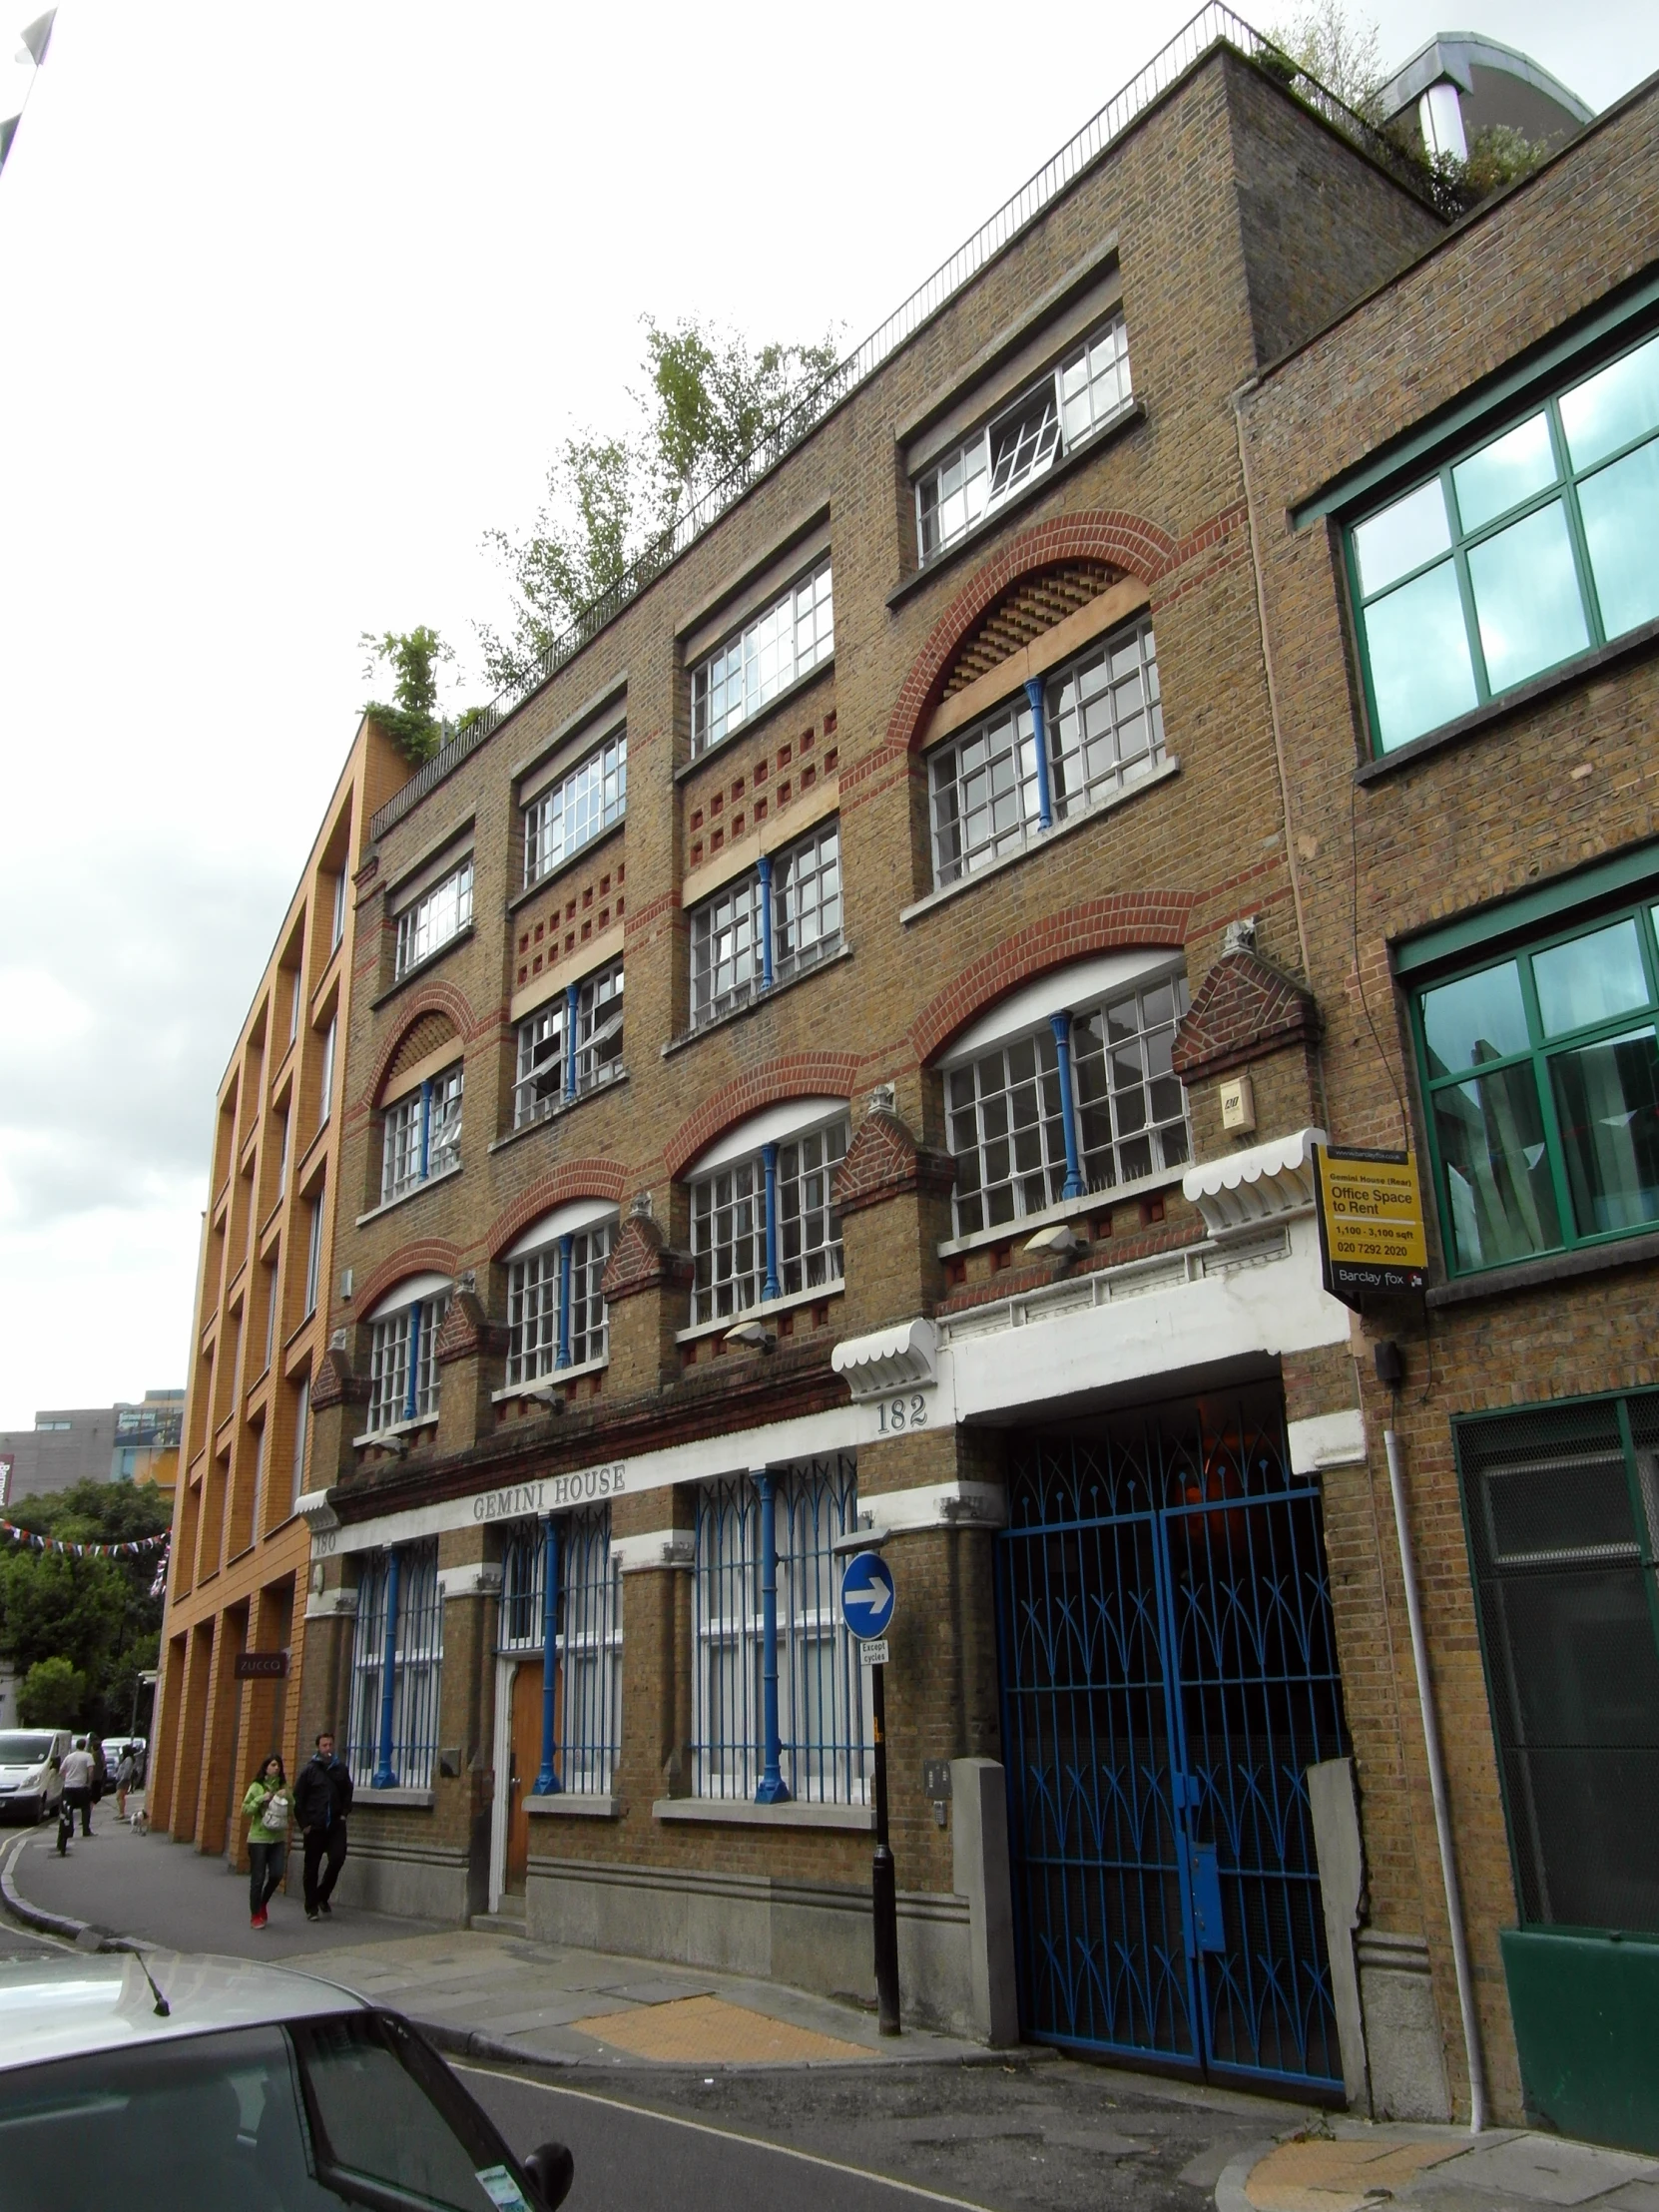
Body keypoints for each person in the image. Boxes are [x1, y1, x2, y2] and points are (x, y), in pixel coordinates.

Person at [294, 1731, 352, 1922]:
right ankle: (311, 1906)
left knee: (337, 1859)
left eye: (330, 1745)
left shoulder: (340, 1770)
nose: (328, 1749)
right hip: (315, 1825)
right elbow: (298, 1798)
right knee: (311, 1866)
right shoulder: (310, 1771)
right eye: (324, 1745)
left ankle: (322, 1895)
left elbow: (347, 1792)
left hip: (335, 1824)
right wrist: (304, 1824)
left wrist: (344, 1814)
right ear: (318, 1748)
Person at [242, 1754, 291, 1929]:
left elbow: (292, 1807)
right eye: (272, 1765)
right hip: (259, 1838)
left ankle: (263, 1901)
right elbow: (245, 1809)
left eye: (278, 1765)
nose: (276, 1768)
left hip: (277, 1838)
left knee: (277, 1873)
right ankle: (255, 1914)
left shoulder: (282, 1785)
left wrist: (287, 1796)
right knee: (258, 1877)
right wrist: (260, 1799)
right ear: (265, 1768)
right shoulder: (256, 1787)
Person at [59, 1738, 95, 1839]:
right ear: (84, 1746)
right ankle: (86, 1830)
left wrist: (66, 1780)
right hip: (81, 1786)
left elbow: (61, 1771)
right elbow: (91, 1771)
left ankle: (69, 1832)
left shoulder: (69, 1757)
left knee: (68, 1809)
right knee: (85, 1808)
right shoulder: (88, 1756)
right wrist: (89, 1783)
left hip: (68, 1787)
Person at [115, 1743, 140, 1821]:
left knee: (119, 1797)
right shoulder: (127, 1759)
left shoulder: (128, 1759)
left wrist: (122, 1779)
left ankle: (121, 1813)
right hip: (123, 1779)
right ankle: (121, 1812)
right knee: (120, 1797)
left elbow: (127, 1770)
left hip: (124, 1780)